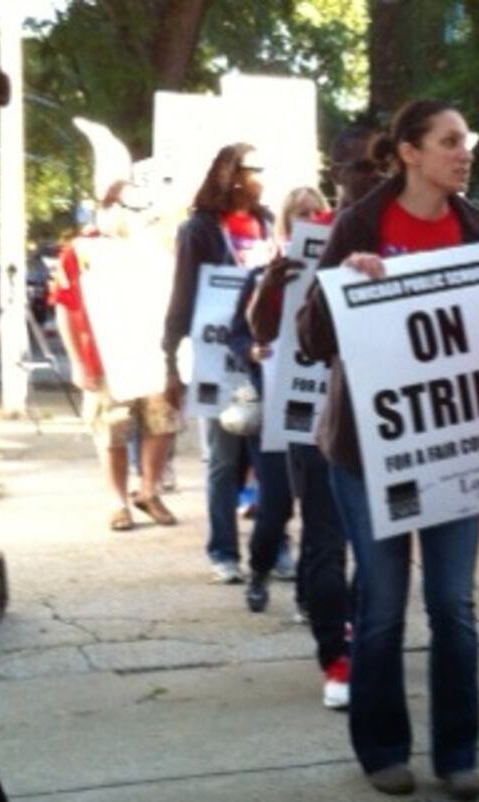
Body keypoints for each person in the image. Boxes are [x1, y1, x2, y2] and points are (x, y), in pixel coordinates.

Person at [298, 99, 479, 802]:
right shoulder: (360, 224)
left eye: (468, 140)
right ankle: (383, 748)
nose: (465, 152)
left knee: (453, 605)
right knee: (384, 606)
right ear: (409, 154)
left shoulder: (477, 231)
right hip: (368, 455)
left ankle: (458, 753)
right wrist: (345, 291)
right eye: (450, 141)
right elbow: (310, 339)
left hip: (452, 451)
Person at [163, 143, 277, 584]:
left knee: (269, 462)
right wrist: (170, 358)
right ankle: (224, 551)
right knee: (224, 460)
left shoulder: (266, 222)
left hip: (260, 352)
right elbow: (183, 293)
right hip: (217, 357)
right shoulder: (200, 229)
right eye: (255, 169)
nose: (262, 177)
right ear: (231, 175)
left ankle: (273, 549)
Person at [53, 182, 182, 531]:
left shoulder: (161, 249)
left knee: (162, 423)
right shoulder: (81, 250)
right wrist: (77, 362)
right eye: (129, 208)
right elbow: (64, 308)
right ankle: (116, 501)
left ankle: (149, 490)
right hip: (105, 358)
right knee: (112, 429)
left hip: (153, 353)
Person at [224, 186, 328, 613]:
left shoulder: (335, 275)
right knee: (276, 506)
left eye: (314, 212)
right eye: (298, 213)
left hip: (321, 412)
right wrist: (251, 350)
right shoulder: (260, 276)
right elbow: (236, 334)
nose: (306, 219)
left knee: (322, 513)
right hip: (273, 411)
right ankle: (260, 571)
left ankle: (310, 596)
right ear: (285, 223)